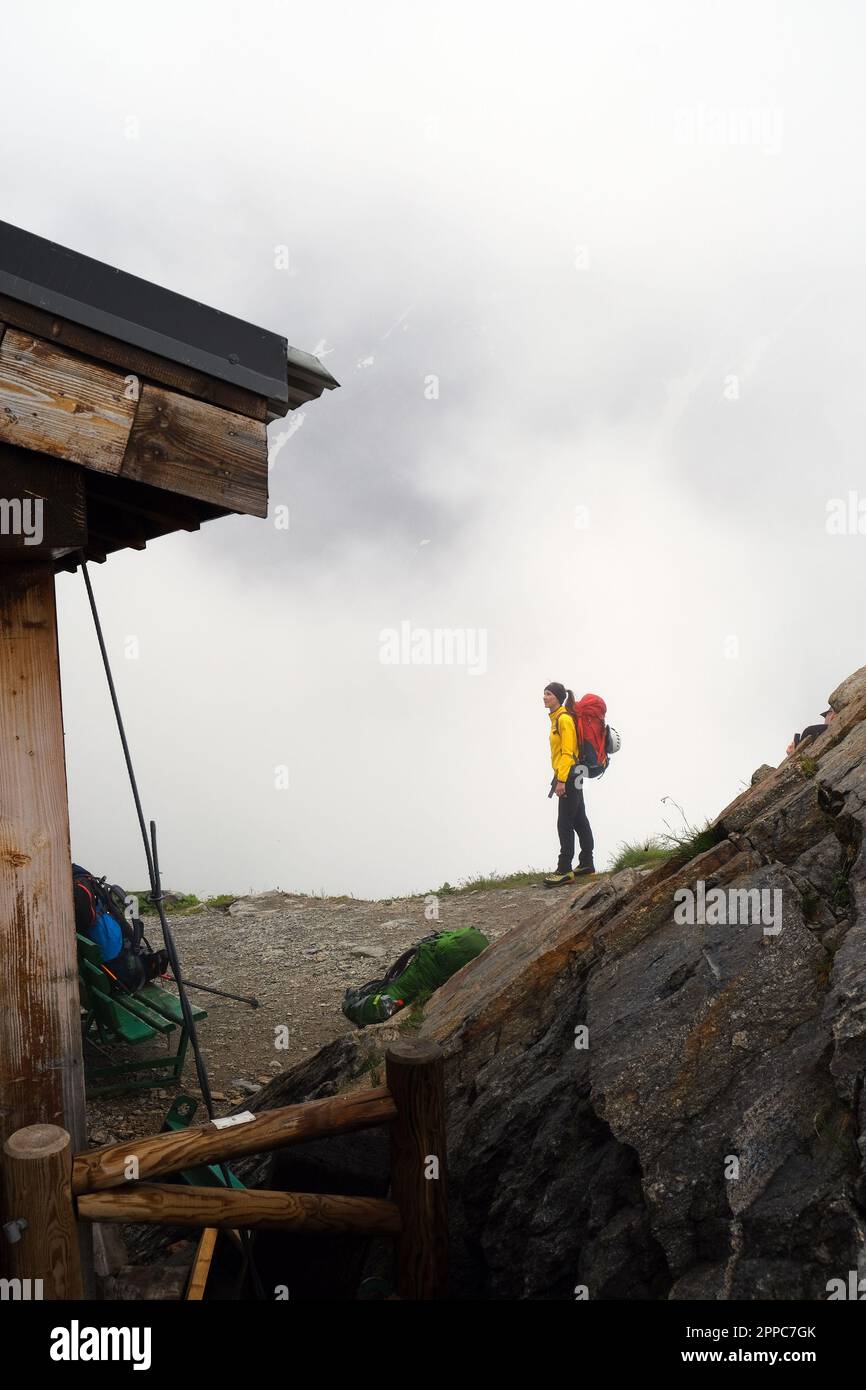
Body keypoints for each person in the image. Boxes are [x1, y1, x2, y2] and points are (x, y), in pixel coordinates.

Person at [543, 682, 595, 887]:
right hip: (574, 773)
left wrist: (561, 780)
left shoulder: (563, 720)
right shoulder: (557, 719)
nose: (544, 697)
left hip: (570, 774)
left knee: (564, 822)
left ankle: (564, 869)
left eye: (548, 694)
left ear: (557, 697)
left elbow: (567, 752)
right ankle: (586, 863)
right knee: (579, 818)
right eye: (544, 694)